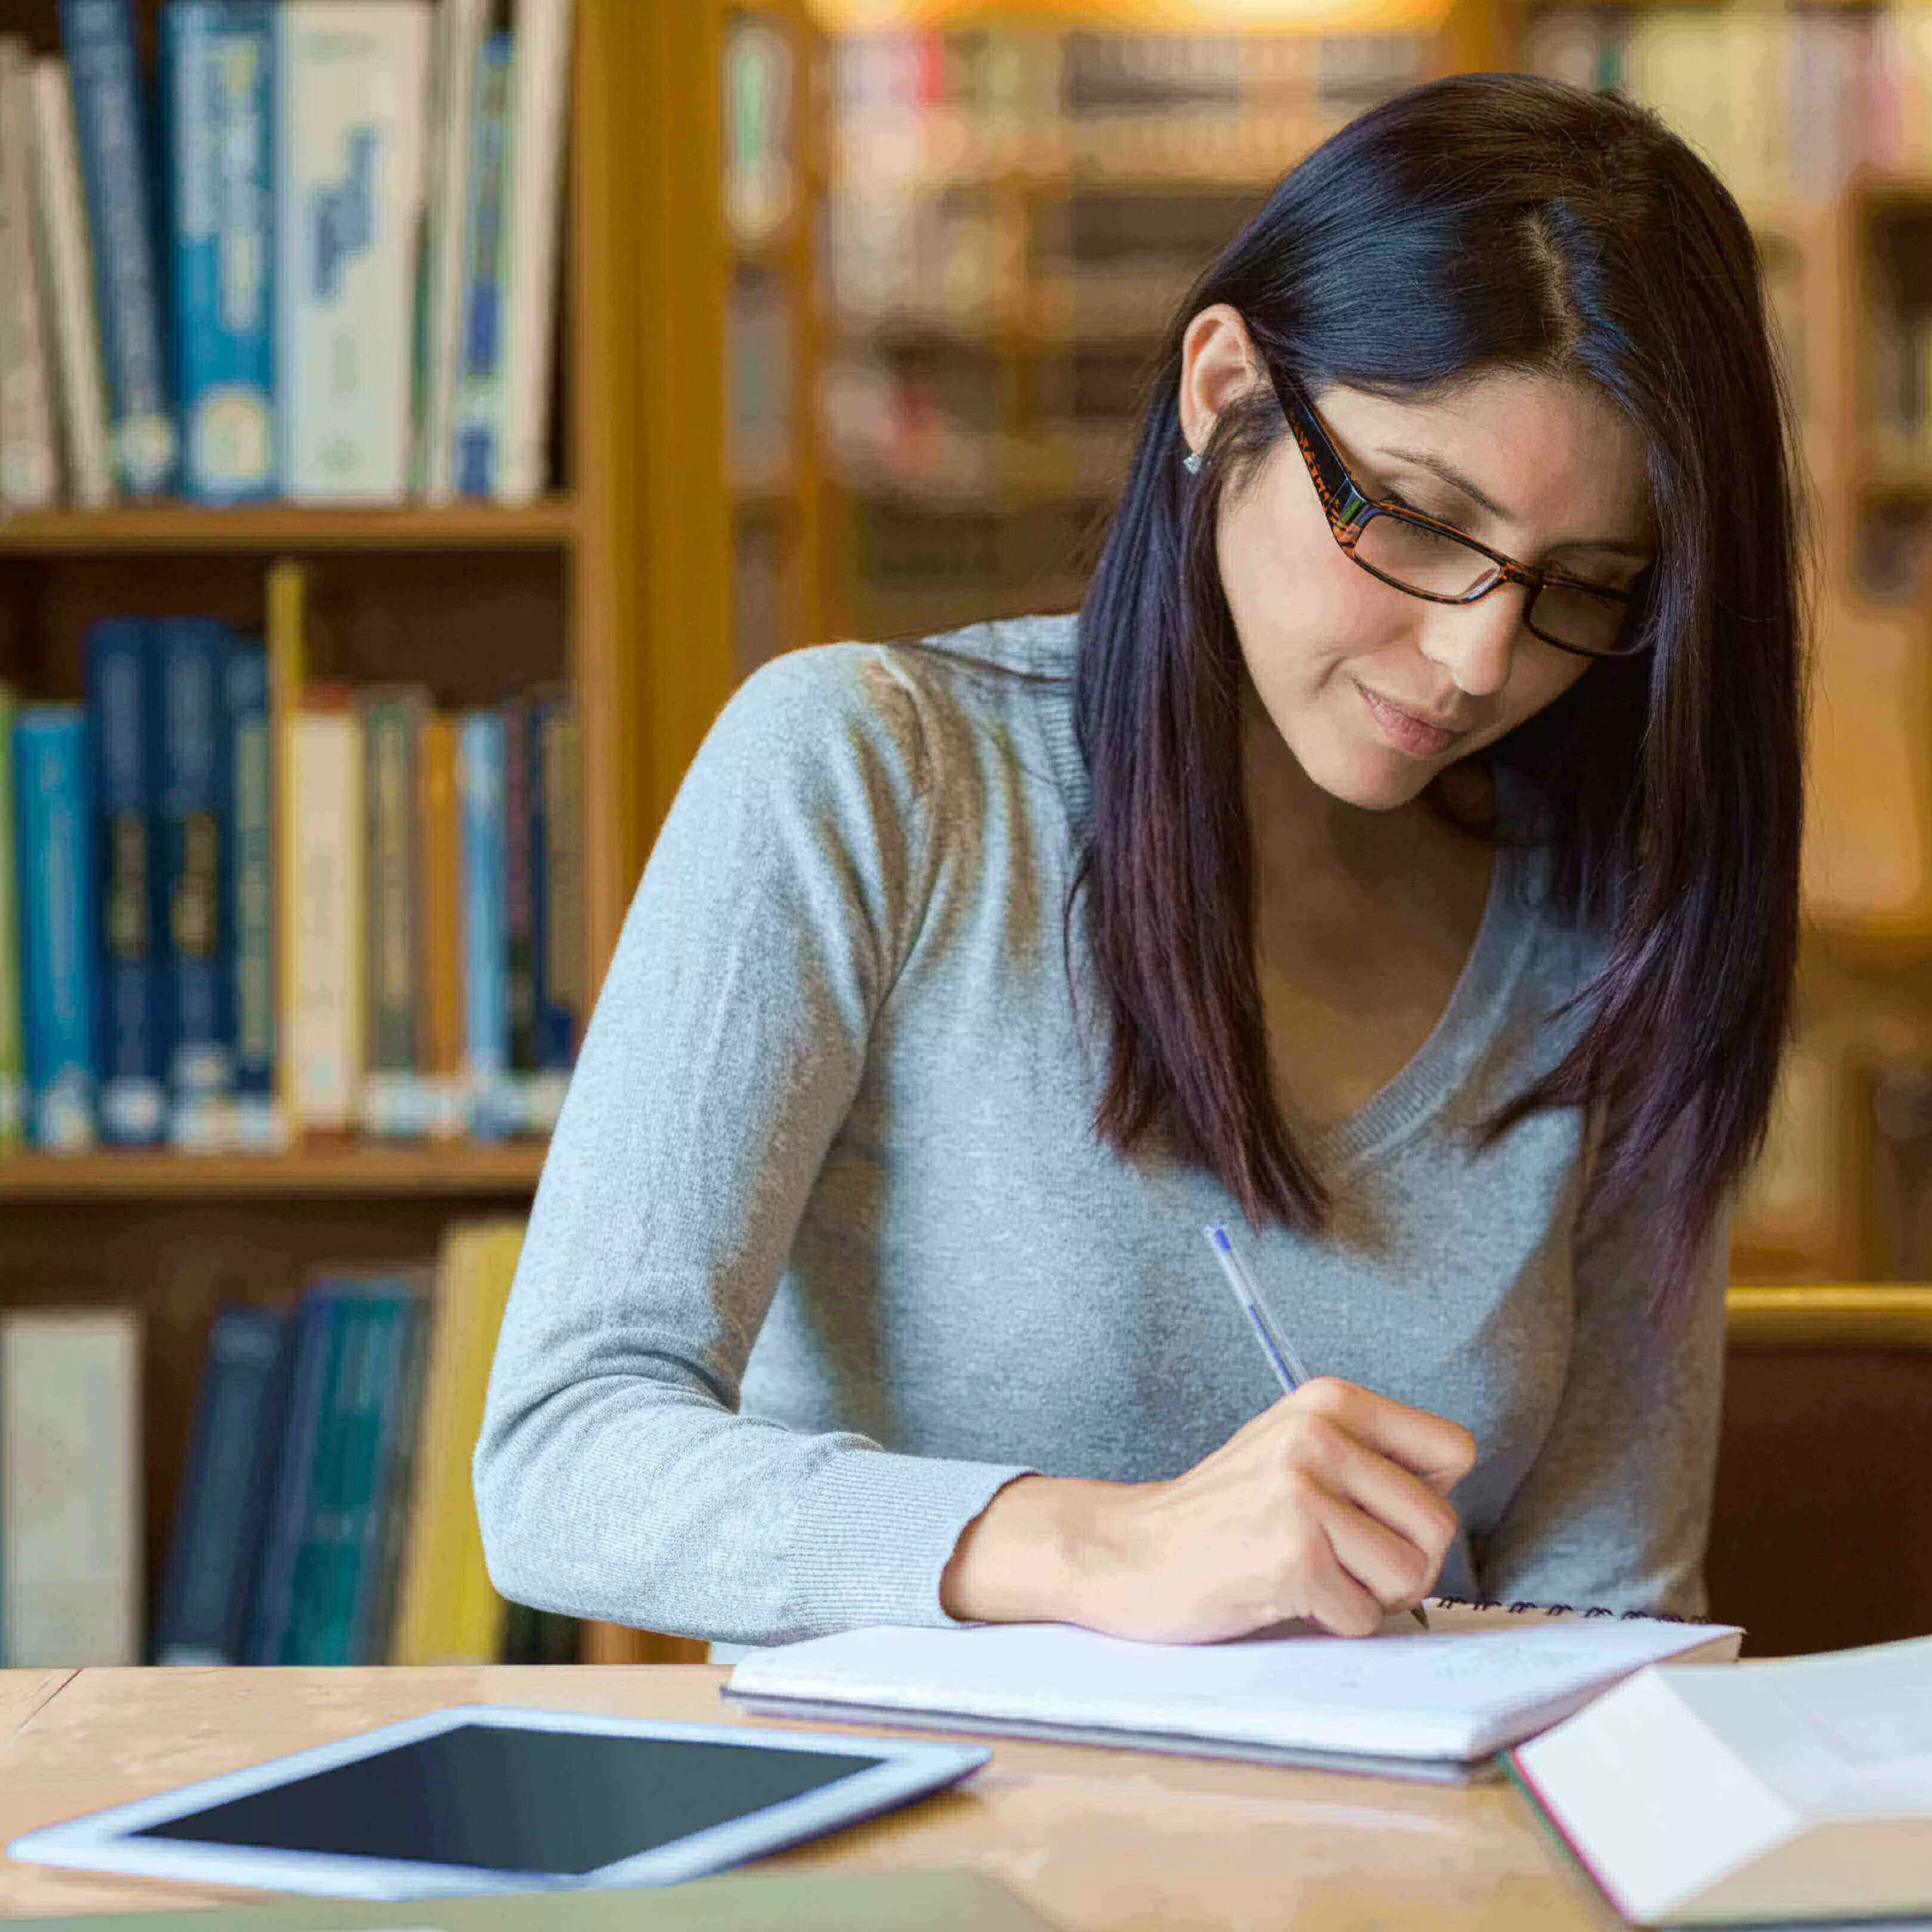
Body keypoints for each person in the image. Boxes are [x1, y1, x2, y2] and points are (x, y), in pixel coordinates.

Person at [473, 72, 1803, 1648]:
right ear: (1221, 384)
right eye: (1416, 518)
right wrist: (1093, 1547)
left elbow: (1601, 1614)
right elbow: (561, 1459)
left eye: (1583, 584)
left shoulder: (1614, 923)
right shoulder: (867, 776)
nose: (1472, 656)